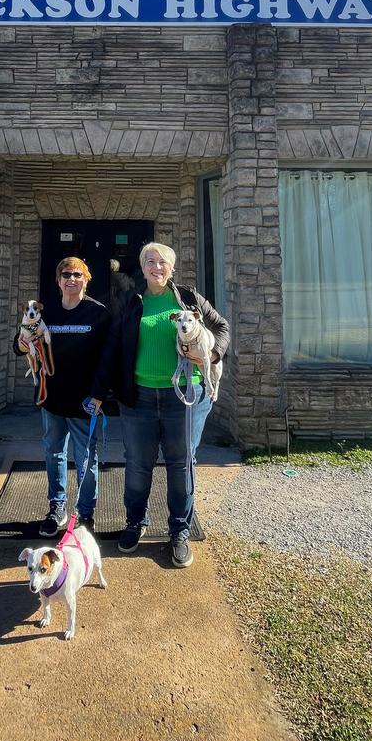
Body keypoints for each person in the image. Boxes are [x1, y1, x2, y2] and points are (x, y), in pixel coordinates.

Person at [104, 241, 229, 568]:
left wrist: (211, 355)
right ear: (143, 267)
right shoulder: (132, 301)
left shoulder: (188, 298)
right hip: (139, 398)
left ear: (171, 268)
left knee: (181, 463)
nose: (156, 267)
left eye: (162, 262)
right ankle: (135, 522)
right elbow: (114, 345)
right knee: (137, 464)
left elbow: (222, 328)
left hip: (185, 396)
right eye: (149, 262)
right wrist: (99, 389)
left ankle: (180, 531)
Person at [13, 257, 111, 537]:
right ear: (58, 281)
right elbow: (20, 343)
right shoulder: (45, 313)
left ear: (86, 279)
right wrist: (21, 344)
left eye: (77, 274)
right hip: (51, 399)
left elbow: (109, 358)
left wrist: (100, 394)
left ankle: (85, 514)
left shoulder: (98, 313)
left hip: (85, 402)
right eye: (66, 274)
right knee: (54, 453)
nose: (71, 279)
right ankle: (57, 508)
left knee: (85, 459)